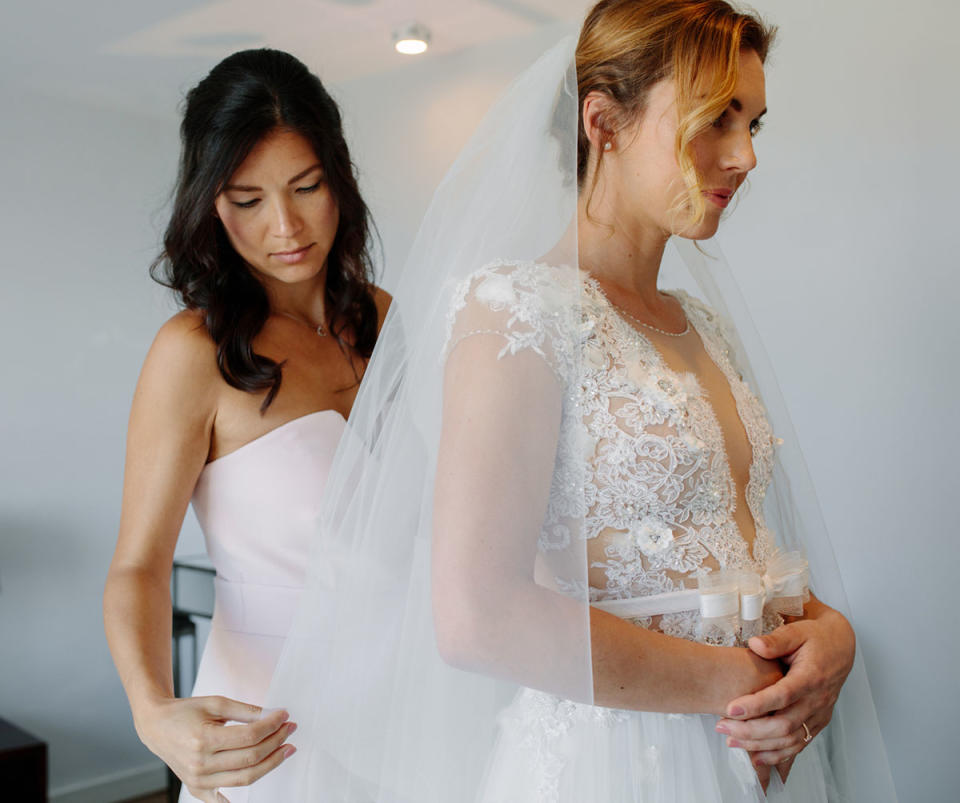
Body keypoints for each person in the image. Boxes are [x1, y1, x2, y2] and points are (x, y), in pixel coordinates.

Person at [253, 2, 897, 801]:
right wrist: (745, 680)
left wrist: (831, 635)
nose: (745, 156)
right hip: (615, 763)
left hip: (744, 754)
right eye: (714, 119)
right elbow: (476, 615)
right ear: (604, 123)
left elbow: (737, 548)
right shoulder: (516, 311)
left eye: (754, 124)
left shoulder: (707, 327)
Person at [103, 49, 389, 803]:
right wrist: (152, 710)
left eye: (306, 187)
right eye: (247, 199)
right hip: (270, 736)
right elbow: (139, 564)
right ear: (210, 202)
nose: (285, 226)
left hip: (415, 703)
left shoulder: (394, 318)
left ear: (340, 179)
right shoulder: (192, 354)